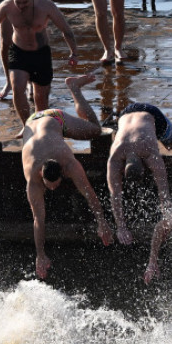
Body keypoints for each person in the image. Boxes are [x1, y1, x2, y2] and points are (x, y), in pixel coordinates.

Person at [22, 74, 113, 279]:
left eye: (55, 185)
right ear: (40, 175)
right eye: (49, 185)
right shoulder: (33, 180)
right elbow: (38, 219)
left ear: (63, 173)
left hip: (54, 118)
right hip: (31, 122)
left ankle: (74, 87)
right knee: (38, 212)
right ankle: (72, 88)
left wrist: (102, 222)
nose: (53, 189)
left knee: (96, 130)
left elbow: (89, 192)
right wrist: (40, 255)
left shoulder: (68, 163)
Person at [107, 90, 172, 244]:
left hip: (151, 114)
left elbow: (163, 191)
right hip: (125, 114)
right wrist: (120, 227)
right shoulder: (116, 156)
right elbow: (163, 194)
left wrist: (121, 227)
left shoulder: (143, 152)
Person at [0, 0, 78, 126]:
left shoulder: (46, 5)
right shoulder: (7, 6)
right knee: (17, 88)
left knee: (40, 98)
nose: (21, 6)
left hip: (41, 54)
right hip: (19, 52)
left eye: (25, 2)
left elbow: (65, 29)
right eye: (18, 2)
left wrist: (73, 52)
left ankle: (40, 127)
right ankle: (26, 126)